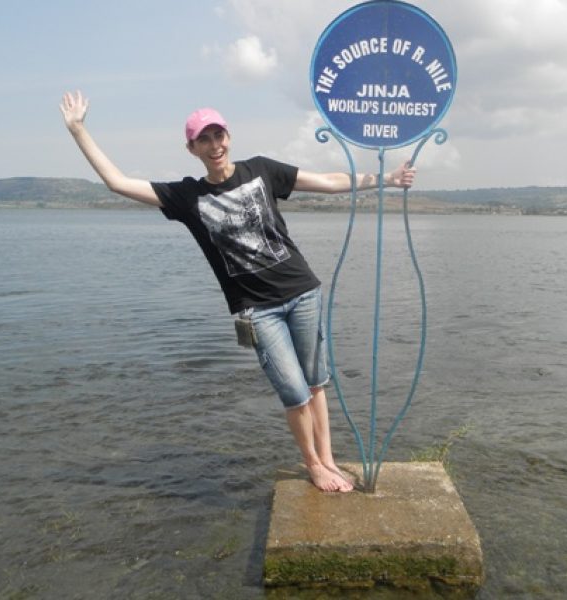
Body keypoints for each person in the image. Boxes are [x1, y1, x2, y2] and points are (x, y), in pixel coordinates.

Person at [59, 91, 416, 493]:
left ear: (229, 137)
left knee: (316, 382)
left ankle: (330, 459)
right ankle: (313, 463)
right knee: (294, 391)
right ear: (192, 147)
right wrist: (78, 131)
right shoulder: (187, 197)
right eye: (205, 139)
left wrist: (383, 180)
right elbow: (117, 183)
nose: (215, 145)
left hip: (303, 293)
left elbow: (328, 182)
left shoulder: (261, 170)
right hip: (257, 312)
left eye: (220, 135)